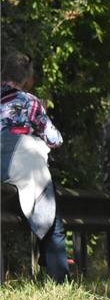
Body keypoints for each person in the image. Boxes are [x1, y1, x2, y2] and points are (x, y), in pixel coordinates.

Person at [0, 51, 68, 283]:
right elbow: (54, 140)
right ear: (27, 78)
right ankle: (59, 281)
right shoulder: (29, 102)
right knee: (52, 225)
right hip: (24, 167)